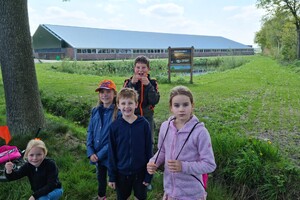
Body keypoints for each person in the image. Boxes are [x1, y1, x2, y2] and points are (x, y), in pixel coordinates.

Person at [147, 86, 216, 200]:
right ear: (171, 108)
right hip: (170, 192)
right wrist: (153, 162)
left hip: (192, 194)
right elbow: (163, 150)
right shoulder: (165, 127)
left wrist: (183, 166)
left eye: (185, 104)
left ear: (192, 106)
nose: (181, 109)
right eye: (177, 105)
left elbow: (209, 164)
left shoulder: (200, 132)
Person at [108, 88, 153, 200]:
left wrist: (148, 175)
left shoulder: (144, 124)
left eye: (130, 103)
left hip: (140, 172)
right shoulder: (114, 126)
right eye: (123, 103)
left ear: (136, 104)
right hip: (121, 173)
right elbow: (111, 153)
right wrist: (112, 176)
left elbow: (149, 150)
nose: (126, 106)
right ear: (118, 105)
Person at [86, 79, 119, 200]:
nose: (104, 94)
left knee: (114, 180)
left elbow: (114, 139)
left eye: (108, 91)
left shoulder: (118, 113)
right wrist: (90, 151)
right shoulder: (95, 111)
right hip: (95, 153)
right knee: (100, 177)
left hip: (110, 155)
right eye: (101, 92)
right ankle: (101, 196)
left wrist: (99, 154)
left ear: (114, 93)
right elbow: (90, 131)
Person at [123, 55, 160, 145]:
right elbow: (123, 98)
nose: (140, 70)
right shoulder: (128, 82)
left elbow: (154, 100)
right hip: (131, 115)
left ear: (148, 69)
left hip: (147, 116)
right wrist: (132, 84)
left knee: (148, 141)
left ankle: (149, 158)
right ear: (134, 69)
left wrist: (148, 86)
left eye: (143, 67)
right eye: (138, 67)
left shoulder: (153, 83)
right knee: (131, 140)